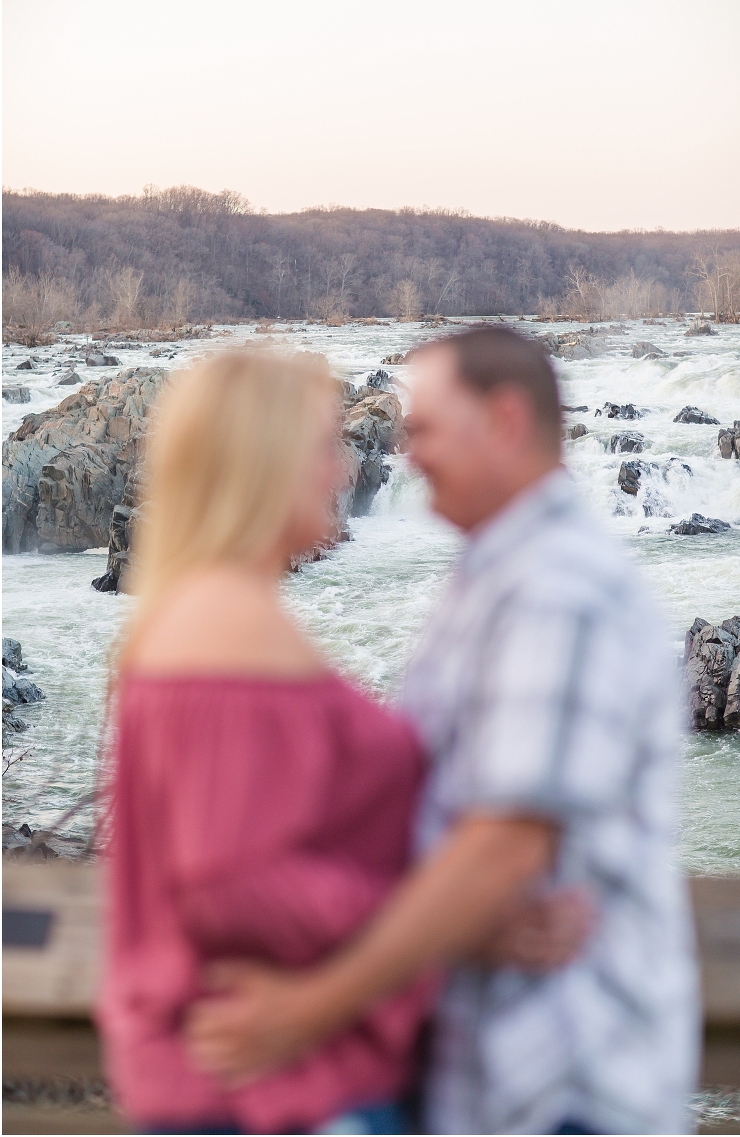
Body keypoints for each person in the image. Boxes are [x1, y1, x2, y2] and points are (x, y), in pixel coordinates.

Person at [186, 328, 700, 1135]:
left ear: (502, 420)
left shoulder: (558, 590)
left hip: (561, 1073)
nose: (406, 452)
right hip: (487, 1070)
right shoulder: (489, 577)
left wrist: (312, 1007)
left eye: (423, 427)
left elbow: (503, 847)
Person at [98, 346, 591, 1137]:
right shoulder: (225, 624)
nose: (341, 473)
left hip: (265, 1081)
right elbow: (232, 878)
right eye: (323, 448)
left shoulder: (207, 611)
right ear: (261, 463)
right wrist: (448, 921)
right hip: (269, 1092)